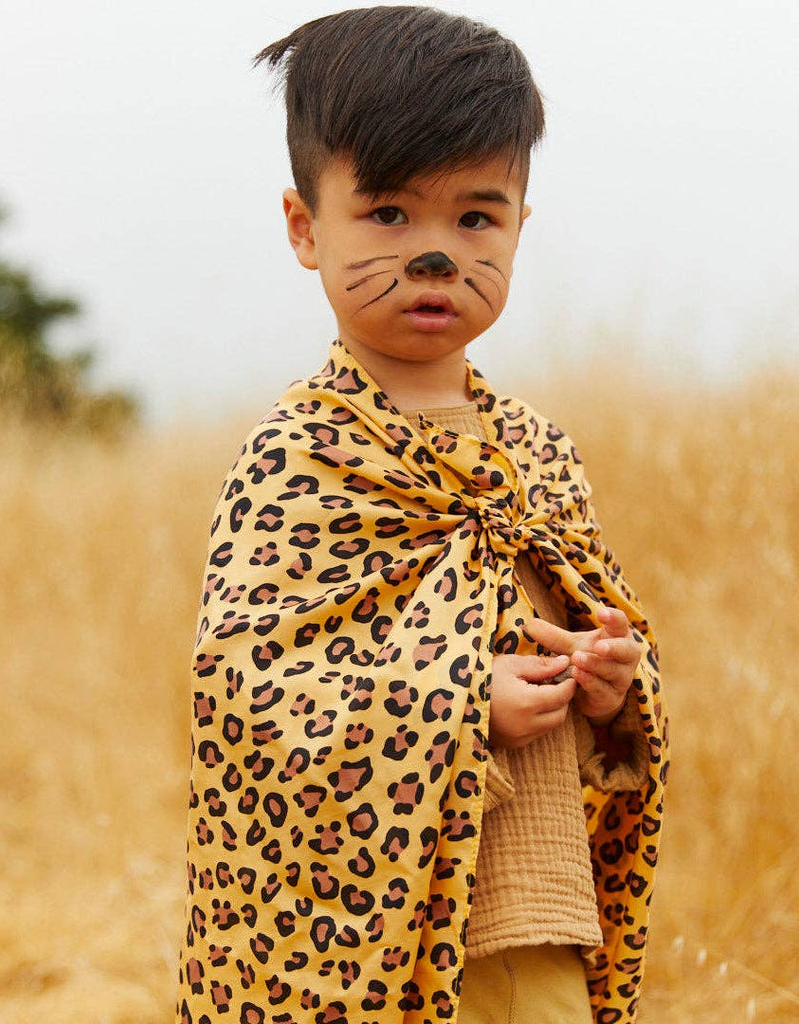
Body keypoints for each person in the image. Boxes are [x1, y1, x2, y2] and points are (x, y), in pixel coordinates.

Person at [177, 7, 668, 1024]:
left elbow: (600, 665)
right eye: (390, 215)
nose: (437, 255)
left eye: (475, 218)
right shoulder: (300, 454)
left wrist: (612, 681)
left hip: (533, 899)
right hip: (371, 938)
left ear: (521, 227)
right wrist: (456, 699)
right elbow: (247, 690)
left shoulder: (536, 451)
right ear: (306, 227)